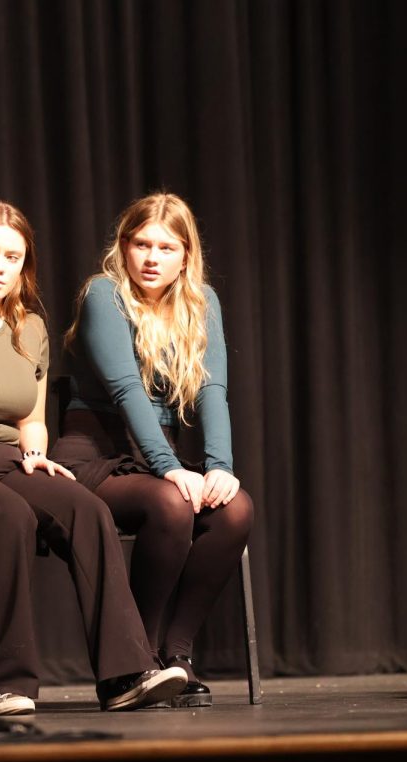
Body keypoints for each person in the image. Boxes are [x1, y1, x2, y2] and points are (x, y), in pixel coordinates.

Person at [0, 201, 187, 716]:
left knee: (84, 507)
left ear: (23, 266)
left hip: (8, 458)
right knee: (5, 513)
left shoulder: (29, 328)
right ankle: (6, 685)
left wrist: (35, 454)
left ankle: (126, 672)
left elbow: (30, 416)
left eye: (11, 257)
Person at [53, 192, 254, 707]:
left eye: (166, 247)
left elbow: (212, 390)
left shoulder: (201, 301)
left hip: (152, 453)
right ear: (123, 247)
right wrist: (169, 467)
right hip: (93, 448)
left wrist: (220, 467)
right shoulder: (104, 293)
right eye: (141, 244)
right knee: (170, 502)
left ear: (185, 255)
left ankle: (175, 656)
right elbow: (126, 391)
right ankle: (130, 663)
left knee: (234, 511)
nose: (151, 258)